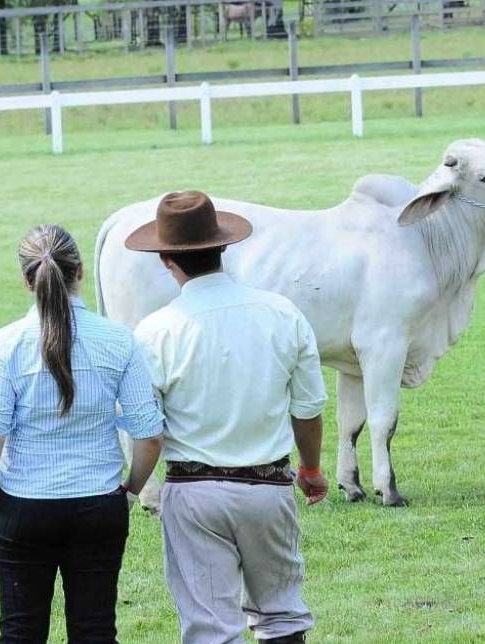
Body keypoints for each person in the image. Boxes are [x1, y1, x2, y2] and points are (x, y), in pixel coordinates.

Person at [127, 191, 329, 644]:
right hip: (269, 486)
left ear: (165, 260)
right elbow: (308, 409)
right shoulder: (282, 313)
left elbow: (148, 430)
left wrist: (131, 488)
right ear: (222, 247)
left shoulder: (155, 331)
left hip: (192, 492)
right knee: (282, 615)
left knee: (211, 628)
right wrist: (311, 469)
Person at [0, 224, 165, 644]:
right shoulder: (117, 341)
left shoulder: (5, 344)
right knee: (95, 629)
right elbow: (149, 435)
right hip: (97, 503)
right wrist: (130, 489)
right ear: (78, 273)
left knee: (20, 630)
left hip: (23, 504)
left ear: (26, 281)